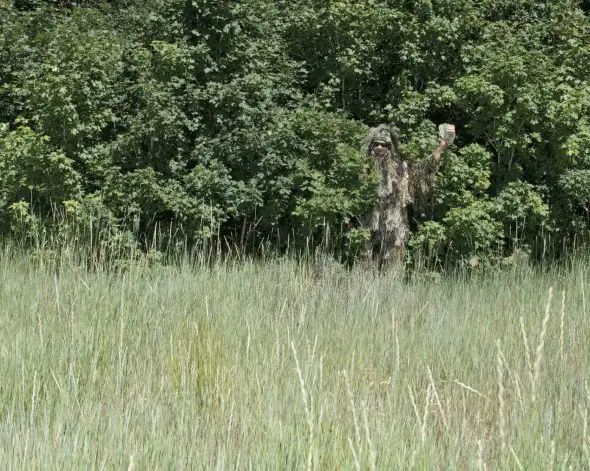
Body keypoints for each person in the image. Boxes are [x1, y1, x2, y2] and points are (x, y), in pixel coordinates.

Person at [360, 123, 454, 272]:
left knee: (394, 262)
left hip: (394, 221)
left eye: (383, 145)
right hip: (370, 221)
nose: (379, 147)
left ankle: (391, 290)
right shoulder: (364, 167)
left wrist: (440, 148)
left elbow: (421, 171)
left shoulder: (400, 167)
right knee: (366, 261)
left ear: (389, 147)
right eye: (376, 144)